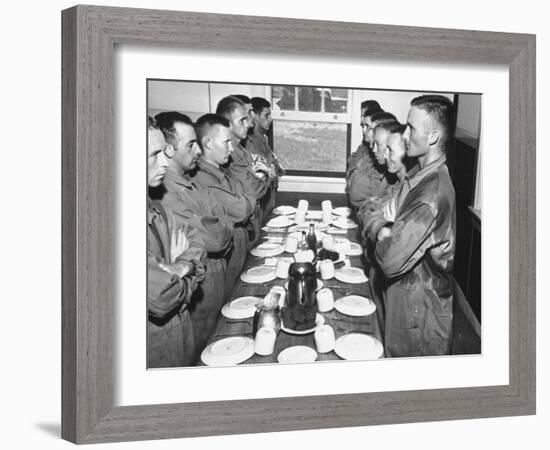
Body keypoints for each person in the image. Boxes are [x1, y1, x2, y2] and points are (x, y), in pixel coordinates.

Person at [365, 95, 456, 357]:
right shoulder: (419, 175)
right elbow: (380, 212)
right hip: (405, 296)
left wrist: (381, 228)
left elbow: (390, 258)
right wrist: (384, 227)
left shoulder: (430, 195)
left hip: (418, 310)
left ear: (432, 136)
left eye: (411, 128)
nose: (405, 135)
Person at [154, 111, 234, 360]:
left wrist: (181, 263)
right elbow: (212, 239)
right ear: (169, 148)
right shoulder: (165, 193)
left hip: (209, 285)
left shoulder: (192, 182)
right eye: (190, 144)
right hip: (195, 302)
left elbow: (223, 227)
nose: (198, 150)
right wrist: (188, 265)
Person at [147, 117, 206, 368]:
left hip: (179, 332)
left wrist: (181, 267)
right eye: (154, 154)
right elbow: (162, 296)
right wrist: (188, 270)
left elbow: (197, 243)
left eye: (164, 152)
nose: (164, 161)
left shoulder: (156, 206)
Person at [192, 113, 256, 290]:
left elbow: (246, 199)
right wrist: (245, 200)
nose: (232, 149)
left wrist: (244, 200)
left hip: (237, 254)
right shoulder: (203, 179)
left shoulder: (221, 171)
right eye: (226, 142)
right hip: (220, 268)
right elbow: (243, 209)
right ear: (208, 143)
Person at [216, 96, 269, 245]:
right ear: (228, 124)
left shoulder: (242, 150)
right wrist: (263, 174)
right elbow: (253, 189)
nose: (248, 124)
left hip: (252, 221)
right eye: (242, 120)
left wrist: (262, 174)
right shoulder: (229, 154)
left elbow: (265, 175)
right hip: (239, 228)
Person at [348, 111, 397, 211]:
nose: (365, 131)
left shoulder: (393, 168)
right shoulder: (369, 153)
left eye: (369, 128)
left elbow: (357, 194)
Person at [247, 96, 284, 220]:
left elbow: (274, 167)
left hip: (270, 202)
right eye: (266, 115)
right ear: (255, 117)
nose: (271, 119)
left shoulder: (264, 139)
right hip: (259, 206)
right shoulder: (248, 143)